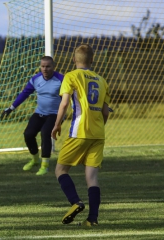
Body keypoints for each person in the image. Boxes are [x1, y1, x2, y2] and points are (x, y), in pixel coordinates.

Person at [51, 44, 110, 226]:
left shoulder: (71, 76)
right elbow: (105, 111)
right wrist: (99, 126)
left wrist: (57, 124)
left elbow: (64, 103)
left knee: (60, 170)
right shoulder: (102, 80)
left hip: (79, 132)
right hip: (98, 133)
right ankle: (92, 219)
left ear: (74, 60)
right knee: (92, 177)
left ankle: (76, 202)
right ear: (92, 60)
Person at [2, 56, 64, 175]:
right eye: (42, 66)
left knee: (46, 133)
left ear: (54, 67)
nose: (45, 69)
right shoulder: (36, 79)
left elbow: (72, 96)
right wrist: (11, 108)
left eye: (48, 66)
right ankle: (35, 159)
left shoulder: (61, 79)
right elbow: (24, 93)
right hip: (39, 113)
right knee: (28, 134)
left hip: (55, 115)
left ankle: (44, 166)